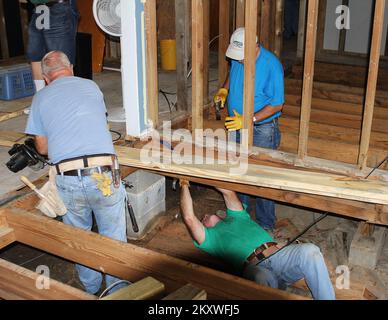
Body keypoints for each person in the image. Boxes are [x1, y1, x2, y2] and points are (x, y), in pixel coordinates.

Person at [25, 51, 127, 295]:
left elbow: (43, 148)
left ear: (46, 78)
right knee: (113, 237)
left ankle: (90, 291)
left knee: (79, 239)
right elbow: (98, 123)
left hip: (68, 177)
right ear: (70, 67)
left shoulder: (40, 98)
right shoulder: (90, 86)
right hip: (103, 173)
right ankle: (118, 291)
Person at [179, 181, 335, 300]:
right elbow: (189, 218)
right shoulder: (210, 239)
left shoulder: (237, 216)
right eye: (203, 220)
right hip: (255, 267)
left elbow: (227, 192)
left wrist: (200, 173)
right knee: (260, 278)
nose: (204, 216)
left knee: (310, 251)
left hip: (280, 257)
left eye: (205, 215)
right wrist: (184, 183)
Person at [214, 27, 285, 232]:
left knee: (261, 175)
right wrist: (224, 89)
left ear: (255, 47)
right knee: (238, 171)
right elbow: (232, 72)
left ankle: (265, 223)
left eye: (242, 57)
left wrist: (248, 120)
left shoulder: (272, 65)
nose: (240, 61)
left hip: (261, 129)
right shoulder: (239, 57)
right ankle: (239, 215)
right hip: (235, 124)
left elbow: (277, 104)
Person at [21, 0, 78, 93]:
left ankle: (64, 99)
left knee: (60, 59)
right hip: (39, 9)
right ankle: (40, 98)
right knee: (35, 54)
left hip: (58, 7)